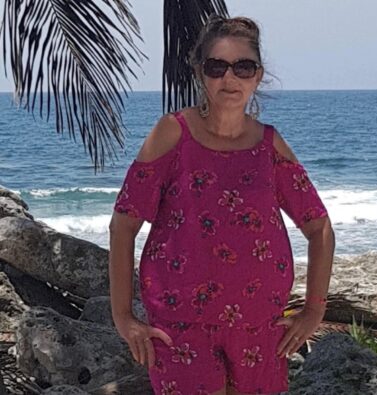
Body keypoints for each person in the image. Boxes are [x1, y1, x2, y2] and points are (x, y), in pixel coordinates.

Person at [109, 14, 335, 395]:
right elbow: (123, 224)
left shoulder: (269, 145)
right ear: (200, 72)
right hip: (181, 325)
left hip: (261, 326)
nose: (229, 79)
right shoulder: (171, 133)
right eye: (217, 67)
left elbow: (319, 227)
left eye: (242, 67)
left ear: (258, 76)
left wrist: (314, 310)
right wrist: (123, 316)